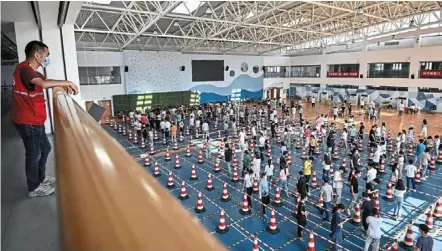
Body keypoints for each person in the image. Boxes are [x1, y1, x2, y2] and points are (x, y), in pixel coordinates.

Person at [11, 41, 79, 197]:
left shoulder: (30, 70)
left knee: (46, 148)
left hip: (34, 120)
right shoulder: (25, 70)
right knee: (34, 154)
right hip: (28, 122)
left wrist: (61, 85)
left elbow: (48, 81)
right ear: (37, 55)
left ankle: (40, 178)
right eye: (46, 55)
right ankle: (34, 187)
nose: (48, 58)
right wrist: (69, 82)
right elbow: (42, 84)